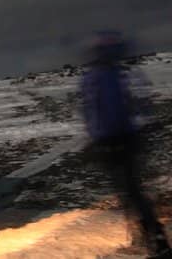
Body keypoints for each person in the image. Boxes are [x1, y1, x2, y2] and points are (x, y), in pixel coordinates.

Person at [81, 30, 170, 258]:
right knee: (133, 189)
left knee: (128, 189)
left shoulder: (93, 78)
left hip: (112, 140)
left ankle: (151, 236)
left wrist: (96, 138)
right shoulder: (125, 73)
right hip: (126, 139)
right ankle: (151, 235)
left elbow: (92, 112)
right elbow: (142, 103)